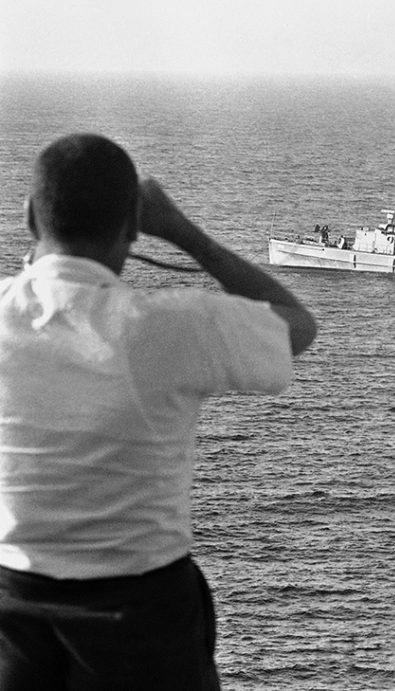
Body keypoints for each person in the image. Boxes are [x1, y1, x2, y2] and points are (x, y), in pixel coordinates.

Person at [0, 133, 317, 690]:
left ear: (29, 216)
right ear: (132, 226)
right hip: (143, 620)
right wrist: (183, 232)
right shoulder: (169, 326)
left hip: (13, 616)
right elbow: (297, 325)